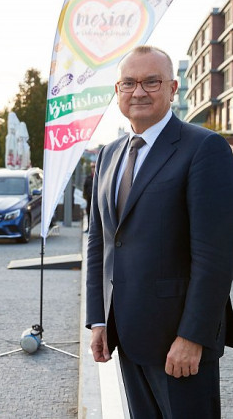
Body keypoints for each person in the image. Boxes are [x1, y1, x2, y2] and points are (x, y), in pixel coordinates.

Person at [86, 45, 233, 418]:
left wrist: (193, 337)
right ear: (118, 90)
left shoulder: (205, 148)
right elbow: (99, 243)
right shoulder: (108, 155)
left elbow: (215, 256)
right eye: (129, 83)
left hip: (179, 344)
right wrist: (99, 319)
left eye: (151, 81)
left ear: (173, 88)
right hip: (127, 336)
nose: (138, 91)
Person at [82, 163, 95, 233]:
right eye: (92, 167)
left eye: (94, 167)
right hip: (89, 199)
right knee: (89, 213)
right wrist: (85, 196)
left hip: (96, 200)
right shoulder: (88, 177)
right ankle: (89, 228)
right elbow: (85, 187)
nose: (93, 168)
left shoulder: (99, 177)